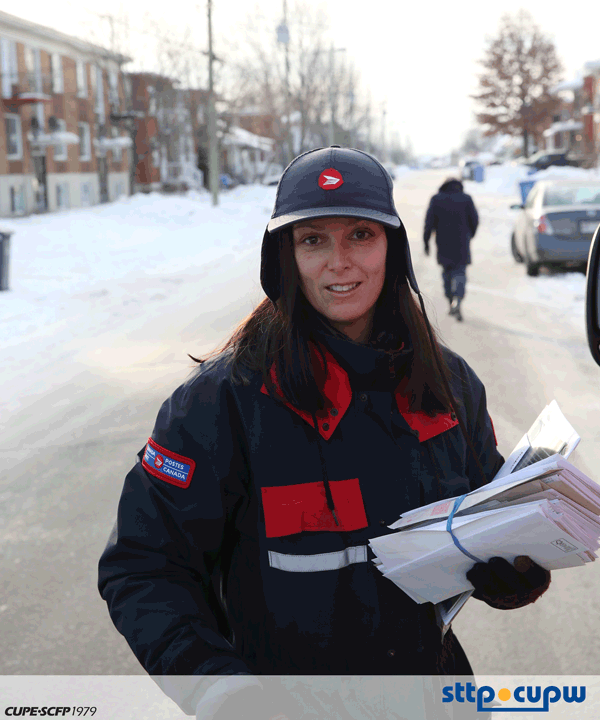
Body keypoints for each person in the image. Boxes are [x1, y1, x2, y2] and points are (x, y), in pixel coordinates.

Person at [98, 147, 550, 720]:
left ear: (393, 245)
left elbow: (492, 520)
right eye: (313, 240)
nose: (340, 262)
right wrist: (216, 689)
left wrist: (515, 570)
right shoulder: (222, 402)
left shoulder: (448, 383)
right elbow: (143, 566)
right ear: (285, 255)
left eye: (361, 234)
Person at [423, 177, 479, 322]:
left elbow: (429, 222)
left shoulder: (436, 199)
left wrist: (426, 242)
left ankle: (450, 301)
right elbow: (475, 220)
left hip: (443, 243)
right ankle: (457, 301)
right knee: (460, 273)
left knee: (447, 275)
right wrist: (469, 235)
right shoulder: (466, 199)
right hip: (462, 243)